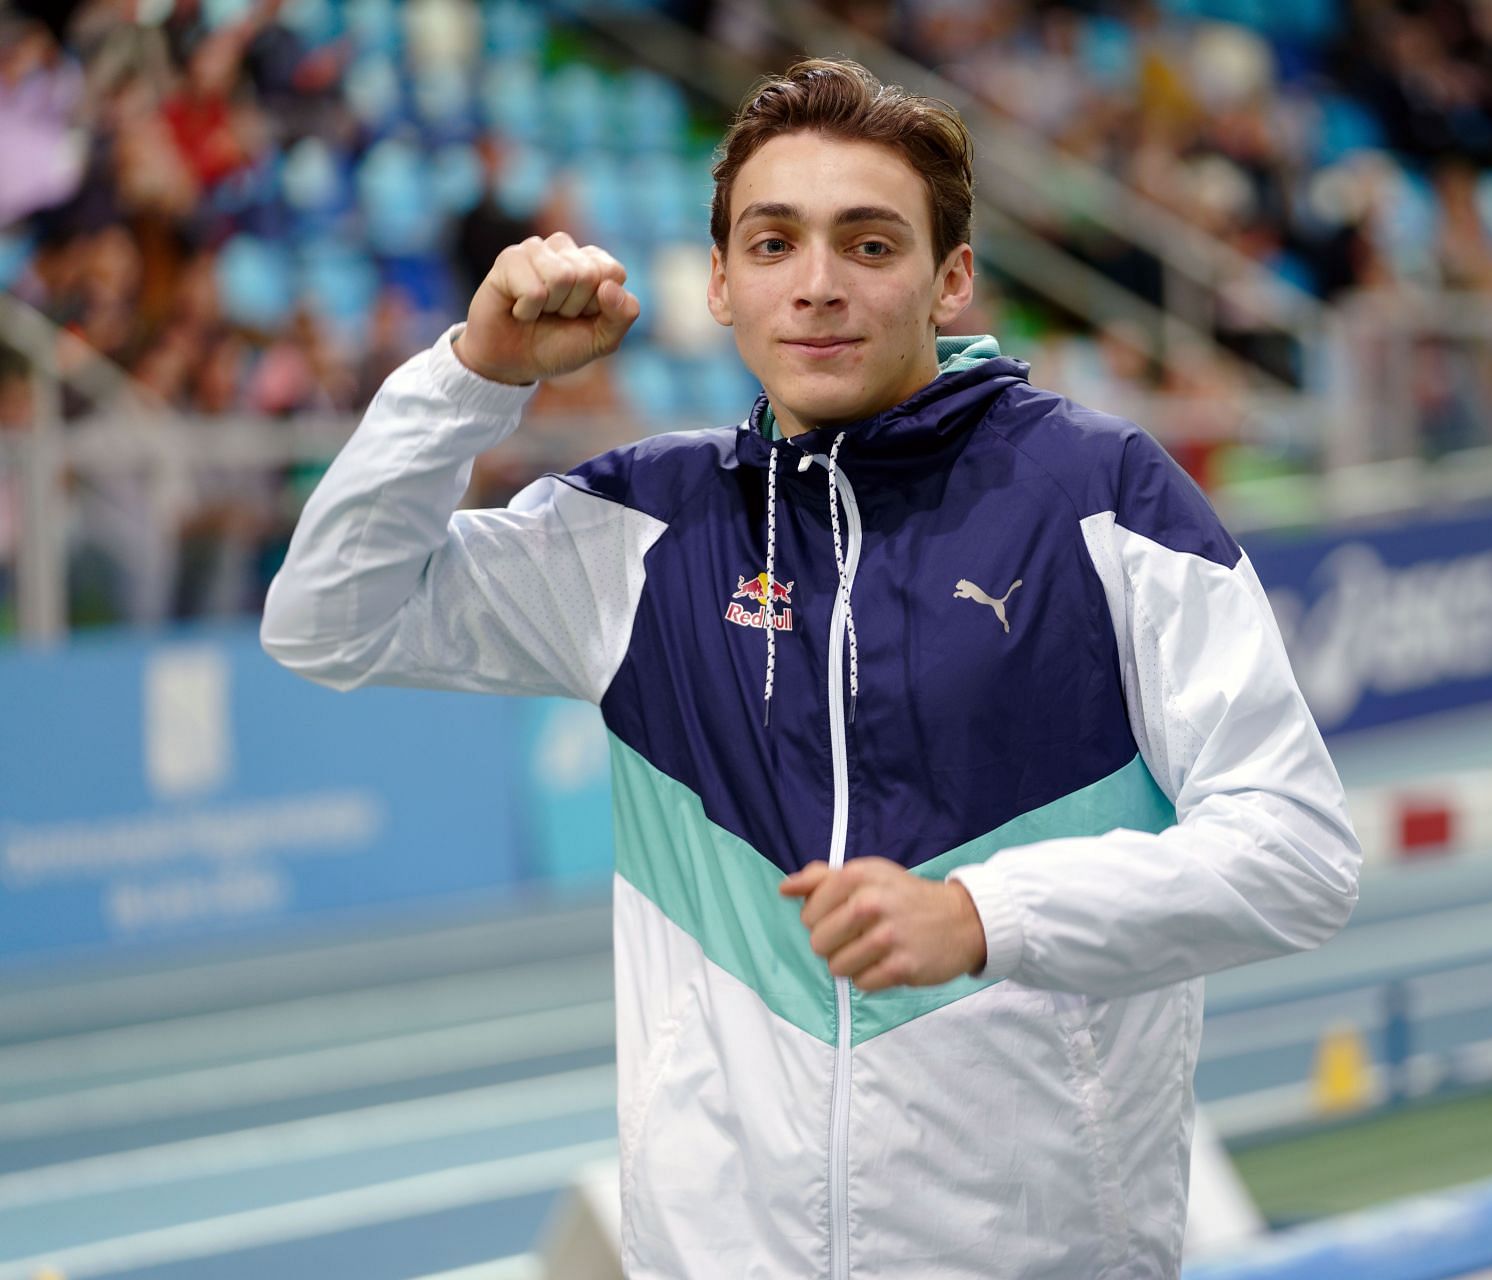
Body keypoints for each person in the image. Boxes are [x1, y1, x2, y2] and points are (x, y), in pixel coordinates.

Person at [261, 57, 1360, 1277]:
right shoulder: (642, 529)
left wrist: (985, 914)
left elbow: (1297, 849)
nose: (820, 286)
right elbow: (329, 620)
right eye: (774, 244)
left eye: (871, 244)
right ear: (721, 283)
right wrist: (471, 378)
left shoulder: (1100, 496)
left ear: (951, 280)